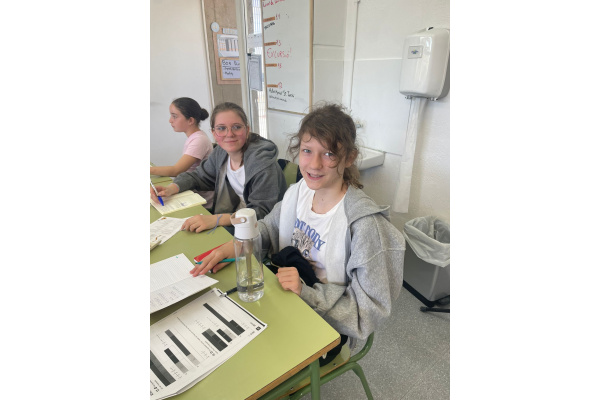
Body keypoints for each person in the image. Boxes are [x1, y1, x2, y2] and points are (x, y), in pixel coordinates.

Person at [191, 103, 405, 344]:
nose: (314, 164)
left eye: (329, 154)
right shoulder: (299, 192)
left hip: (325, 322)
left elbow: (365, 314)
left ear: (349, 158)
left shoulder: (364, 225)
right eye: (307, 151)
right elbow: (269, 227)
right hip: (287, 294)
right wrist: (236, 247)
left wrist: (306, 292)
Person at [151, 102, 287, 233]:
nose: (229, 134)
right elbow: (198, 176)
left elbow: (262, 213)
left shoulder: (262, 165)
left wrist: (217, 219)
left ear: (247, 130)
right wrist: (172, 188)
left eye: (236, 127)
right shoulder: (221, 153)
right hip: (233, 216)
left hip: (258, 228)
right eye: (221, 128)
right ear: (214, 133)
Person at [150, 97, 214, 207]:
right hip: (188, 189)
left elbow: (177, 170)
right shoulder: (194, 137)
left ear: (190, 120)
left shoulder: (199, 140)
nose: (170, 120)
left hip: (200, 199)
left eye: (174, 116)